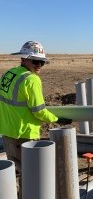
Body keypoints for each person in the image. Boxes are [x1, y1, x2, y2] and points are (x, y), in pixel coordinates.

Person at [0, 41, 71, 174]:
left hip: (7, 133)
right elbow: (39, 111)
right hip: (24, 134)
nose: (39, 65)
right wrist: (56, 119)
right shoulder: (31, 79)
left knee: (14, 173)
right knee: (31, 176)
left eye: (42, 62)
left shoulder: (9, 74)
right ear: (24, 59)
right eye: (35, 61)